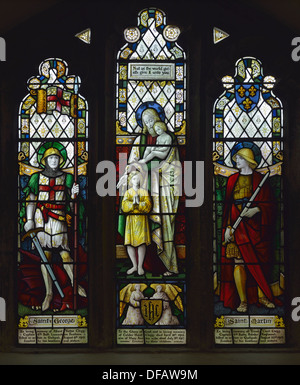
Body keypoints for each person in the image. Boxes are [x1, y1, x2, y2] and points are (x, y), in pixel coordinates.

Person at [118, 104, 181, 276]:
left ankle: (169, 265)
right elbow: (132, 162)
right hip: (144, 188)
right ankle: (138, 265)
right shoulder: (140, 140)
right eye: (146, 121)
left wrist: (147, 169)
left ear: (159, 120)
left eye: (152, 119)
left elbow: (173, 166)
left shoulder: (169, 138)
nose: (150, 123)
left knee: (165, 225)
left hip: (163, 189)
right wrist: (127, 174)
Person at [23, 146, 86, 311]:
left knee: (65, 254)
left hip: (59, 217)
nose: (53, 161)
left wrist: (74, 195)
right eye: (50, 158)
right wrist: (29, 219)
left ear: (61, 160)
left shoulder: (67, 178)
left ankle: (75, 285)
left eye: (56, 158)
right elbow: (31, 199)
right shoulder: (36, 178)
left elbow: (72, 206)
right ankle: (49, 294)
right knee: (46, 256)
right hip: (41, 219)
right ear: (44, 160)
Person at [220, 146, 277, 313]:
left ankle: (262, 296)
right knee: (239, 263)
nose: (236, 161)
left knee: (258, 263)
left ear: (248, 161)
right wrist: (227, 228)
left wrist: (257, 210)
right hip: (237, 229)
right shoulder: (232, 180)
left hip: (257, 228)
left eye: (239, 158)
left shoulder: (260, 180)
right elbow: (226, 208)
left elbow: (270, 206)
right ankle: (243, 301)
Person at [121, 170, 152, 275]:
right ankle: (134, 265)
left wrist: (138, 203)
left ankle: (140, 266)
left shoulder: (144, 192)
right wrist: (133, 204)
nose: (136, 181)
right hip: (131, 220)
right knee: (129, 243)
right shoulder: (128, 192)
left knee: (141, 242)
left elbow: (148, 206)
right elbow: (124, 206)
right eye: (134, 178)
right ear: (130, 180)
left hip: (141, 219)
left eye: (138, 178)